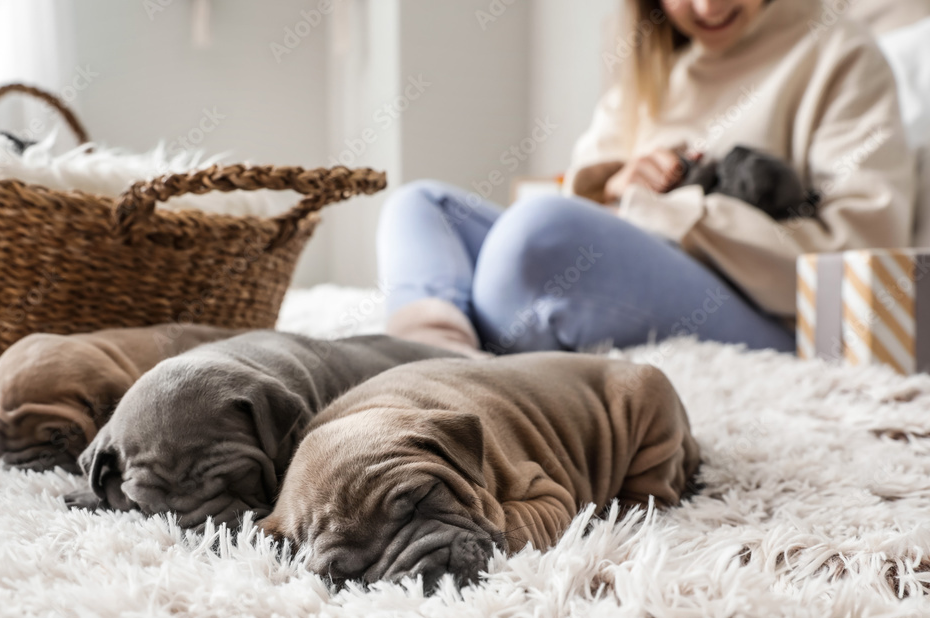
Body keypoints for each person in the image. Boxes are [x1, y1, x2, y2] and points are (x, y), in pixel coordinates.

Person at [376, 0, 915, 357]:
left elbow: (865, 258)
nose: (707, 7)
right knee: (421, 205)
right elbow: (583, 211)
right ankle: (435, 364)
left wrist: (666, 210)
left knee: (536, 236)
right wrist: (610, 187)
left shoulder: (838, 52)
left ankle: (459, 365)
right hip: (585, 265)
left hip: (766, 312)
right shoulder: (652, 65)